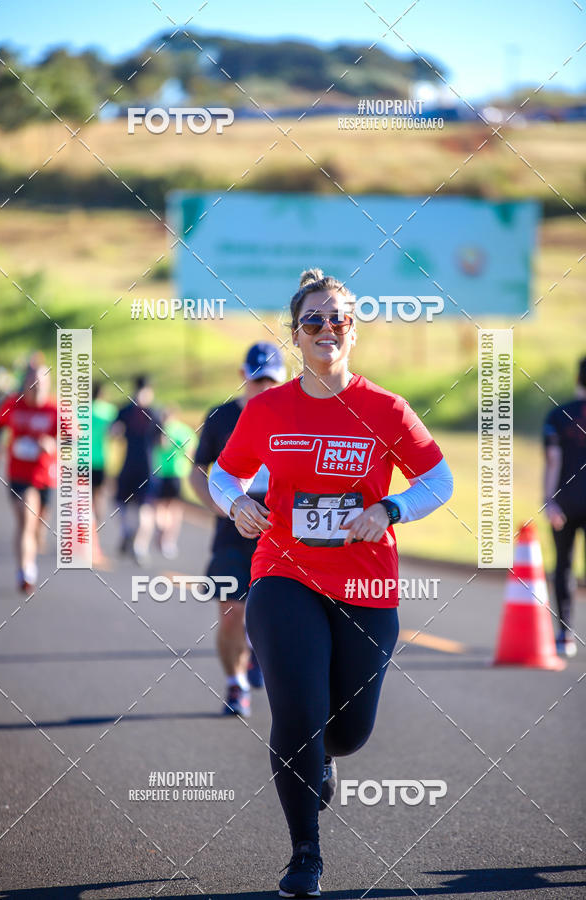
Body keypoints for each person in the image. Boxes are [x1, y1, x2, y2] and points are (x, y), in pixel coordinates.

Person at [209, 269, 453, 897]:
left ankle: (324, 761)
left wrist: (391, 509)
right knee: (299, 712)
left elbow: (439, 481)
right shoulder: (267, 410)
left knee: (346, 733)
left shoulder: (386, 409)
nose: (326, 328)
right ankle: (304, 855)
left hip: (367, 588)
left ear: (353, 331)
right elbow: (223, 475)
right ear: (296, 334)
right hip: (284, 573)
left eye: (337, 318)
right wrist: (237, 505)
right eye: (312, 320)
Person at [190, 342, 286, 718]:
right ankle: (236, 683)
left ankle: (258, 653)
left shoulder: (291, 416)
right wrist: (220, 506)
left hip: (280, 530)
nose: (263, 388)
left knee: (276, 613)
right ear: (242, 376)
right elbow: (197, 471)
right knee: (232, 613)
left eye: (270, 381)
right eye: (257, 380)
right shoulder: (220, 417)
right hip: (232, 529)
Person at [0, 359, 57, 592]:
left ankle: (33, 550)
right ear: (25, 383)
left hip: (46, 477)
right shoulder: (13, 404)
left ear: (48, 384)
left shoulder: (54, 410)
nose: (37, 387)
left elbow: (75, 439)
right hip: (19, 475)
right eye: (33, 383)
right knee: (25, 520)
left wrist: (52, 444)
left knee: (38, 526)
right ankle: (25, 570)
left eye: (41, 383)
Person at [543, 356, 586, 658]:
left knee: (564, 566)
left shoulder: (558, 416)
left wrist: (548, 500)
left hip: (566, 503)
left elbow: (553, 461)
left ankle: (564, 634)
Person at [111, 375, 162, 565]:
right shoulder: (153, 412)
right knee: (142, 507)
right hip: (144, 466)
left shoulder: (126, 410)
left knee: (128, 504)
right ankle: (137, 544)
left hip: (133, 464)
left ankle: (130, 536)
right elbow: (163, 441)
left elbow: (113, 432)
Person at [151, 409, 196, 559]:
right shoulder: (185, 431)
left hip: (161, 472)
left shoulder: (162, 429)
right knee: (175, 508)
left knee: (160, 506)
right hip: (179, 473)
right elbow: (191, 452)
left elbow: (157, 447)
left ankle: (162, 530)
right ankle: (169, 539)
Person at [91, 381, 117, 564]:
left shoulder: (81, 410)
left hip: (81, 460)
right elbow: (115, 432)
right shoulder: (108, 412)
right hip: (100, 460)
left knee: (81, 499)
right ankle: (95, 530)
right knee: (98, 498)